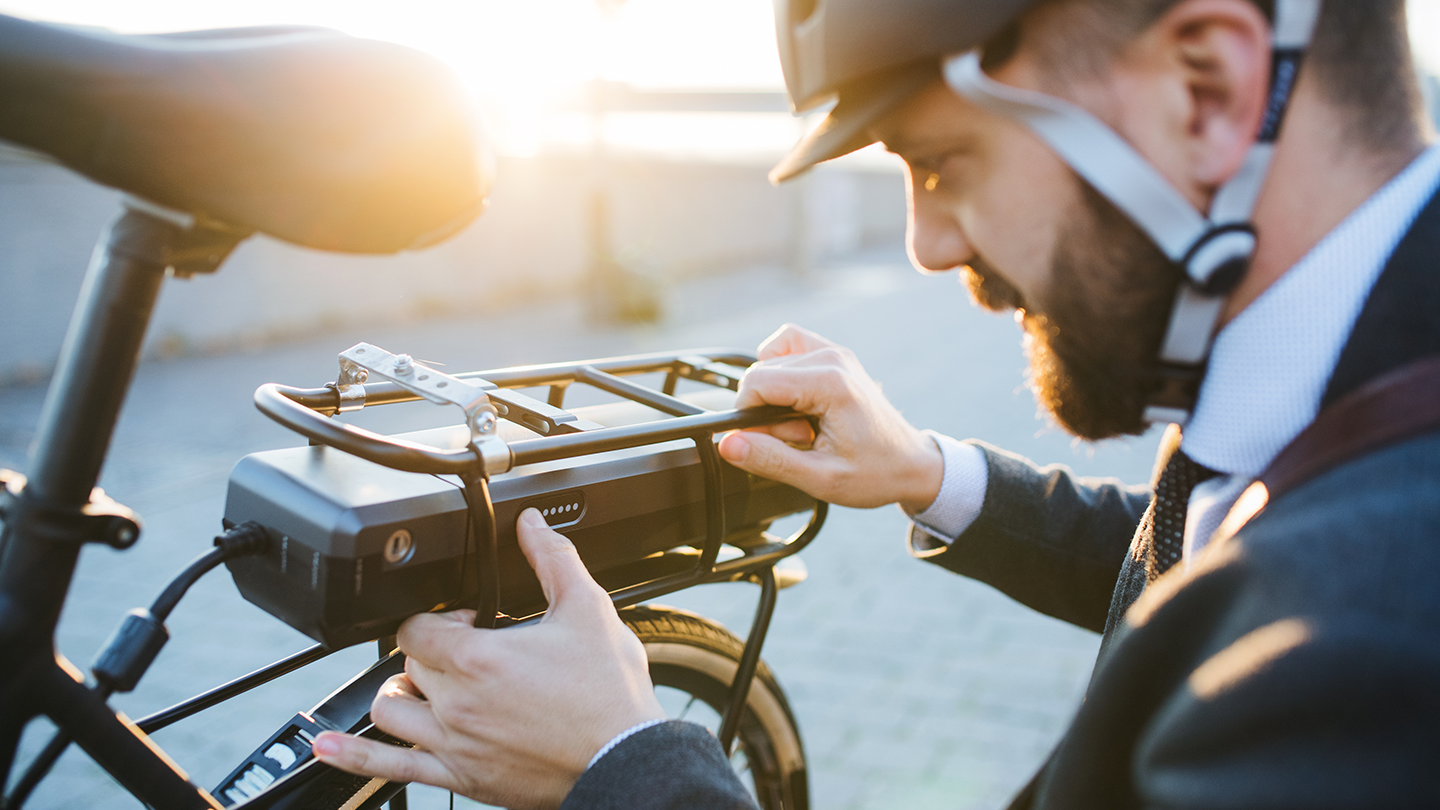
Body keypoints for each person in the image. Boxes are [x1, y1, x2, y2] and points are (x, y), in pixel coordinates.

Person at [311, 0, 1440, 807]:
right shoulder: (1352, 376)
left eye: (943, 157)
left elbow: (1290, 601)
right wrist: (930, 475)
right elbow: (1203, 574)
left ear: (1205, 90)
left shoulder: (1372, 649)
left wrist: (621, 766)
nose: (926, 242)